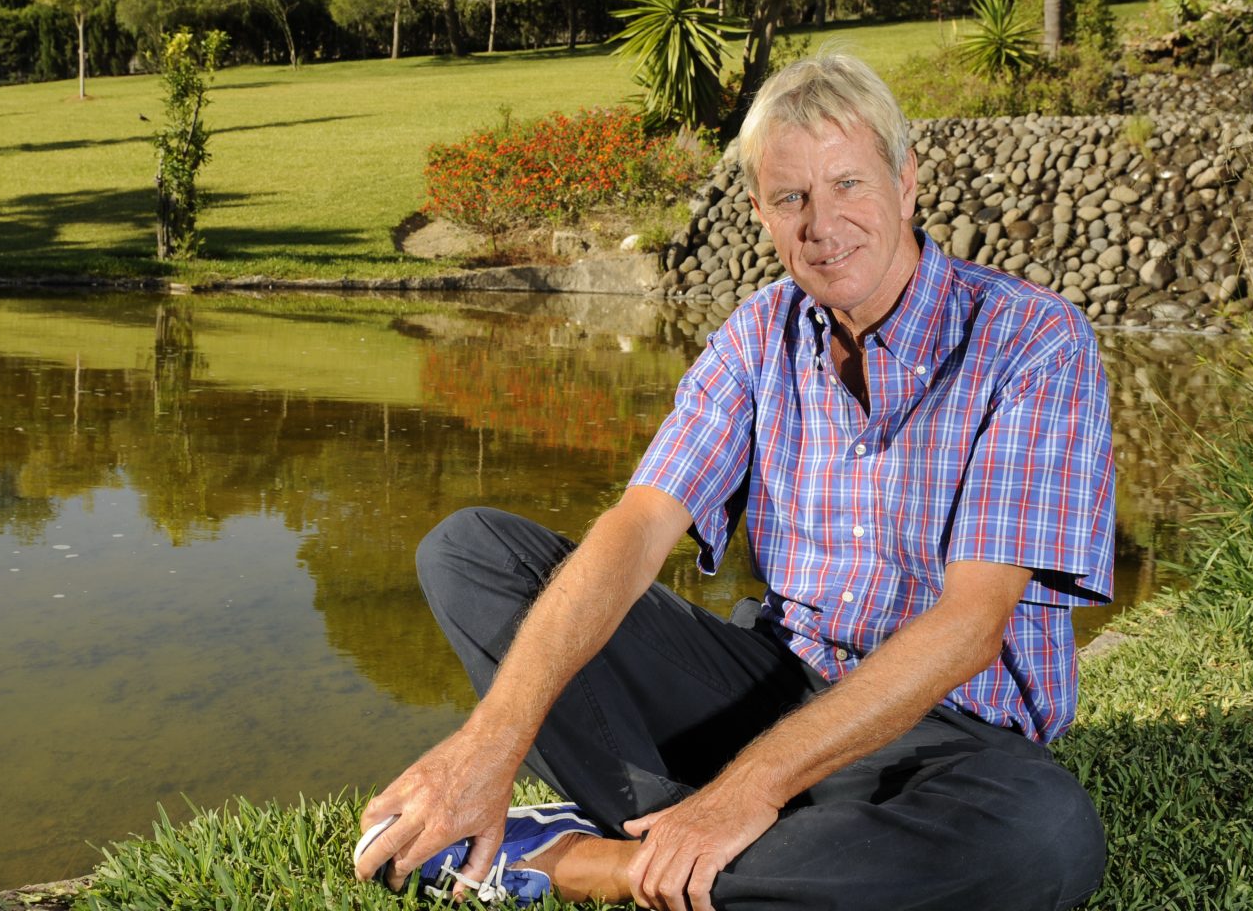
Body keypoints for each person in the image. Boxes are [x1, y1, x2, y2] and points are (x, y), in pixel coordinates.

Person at [353, 52, 1116, 911]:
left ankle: (595, 863)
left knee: (1045, 840)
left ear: (906, 184)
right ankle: (721, 850)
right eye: (791, 198)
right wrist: (488, 744)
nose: (822, 226)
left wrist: (747, 787)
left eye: (848, 184)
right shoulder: (760, 332)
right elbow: (641, 525)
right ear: (758, 211)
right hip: (771, 683)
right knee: (475, 552)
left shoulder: (1033, 341)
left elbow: (972, 627)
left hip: (939, 735)